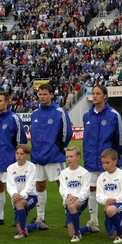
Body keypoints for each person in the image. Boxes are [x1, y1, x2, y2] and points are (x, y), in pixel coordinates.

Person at [31, 83, 73, 222]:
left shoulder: (60, 112)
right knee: (40, 185)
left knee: (62, 185)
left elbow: (67, 133)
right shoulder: (35, 114)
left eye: (45, 94)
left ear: (51, 95)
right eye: (40, 94)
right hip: (38, 156)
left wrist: (58, 147)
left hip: (54, 156)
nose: (42, 97)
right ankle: (40, 217)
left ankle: (70, 215)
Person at [82, 84, 122, 226]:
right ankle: (93, 220)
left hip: (108, 161)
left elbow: (120, 139)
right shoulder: (87, 116)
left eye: (98, 93)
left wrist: (113, 157)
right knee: (92, 190)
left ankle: (118, 220)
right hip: (91, 160)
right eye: (93, 93)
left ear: (105, 96)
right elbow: (86, 139)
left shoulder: (114, 115)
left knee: (113, 190)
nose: (94, 96)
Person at [0, 91, 27, 226]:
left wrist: (18, 157)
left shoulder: (14, 118)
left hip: (9, 159)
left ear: (7, 102)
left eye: (0, 101)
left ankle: (18, 216)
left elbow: (21, 141)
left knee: (14, 188)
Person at [6, 144, 49, 238]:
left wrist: (22, 195)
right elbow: (10, 185)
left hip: (31, 197)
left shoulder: (31, 167)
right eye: (17, 153)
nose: (19, 156)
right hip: (16, 198)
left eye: (21, 154)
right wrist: (14, 194)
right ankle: (37, 225)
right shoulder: (10, 168)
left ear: (27, 155)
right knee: (19, 224)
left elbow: (31, 184)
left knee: (20, 204)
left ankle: (23, 232)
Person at [59, 146, 100, 242]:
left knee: (72, 205)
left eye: (71, 156)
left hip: (81, 200)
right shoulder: (63, 173)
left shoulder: (84, 173)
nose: (68, 159)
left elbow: (85, 191)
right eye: (67, 157)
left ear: (78, 157)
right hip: (68, 201)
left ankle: (77, 234)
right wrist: (68, 195)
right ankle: (89, 227)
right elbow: (62, 189)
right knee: (70, 233)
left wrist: (76, 197)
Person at [96, 148, 122, 244]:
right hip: (109, 205)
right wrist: (106, 200)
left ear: (115, 161)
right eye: (103, 163)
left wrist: (113, 202)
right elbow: (98, 196)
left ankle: (121, 235)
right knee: (112, 235)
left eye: (107, 163)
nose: (105, 165)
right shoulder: (101, 177)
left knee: (110, 210)